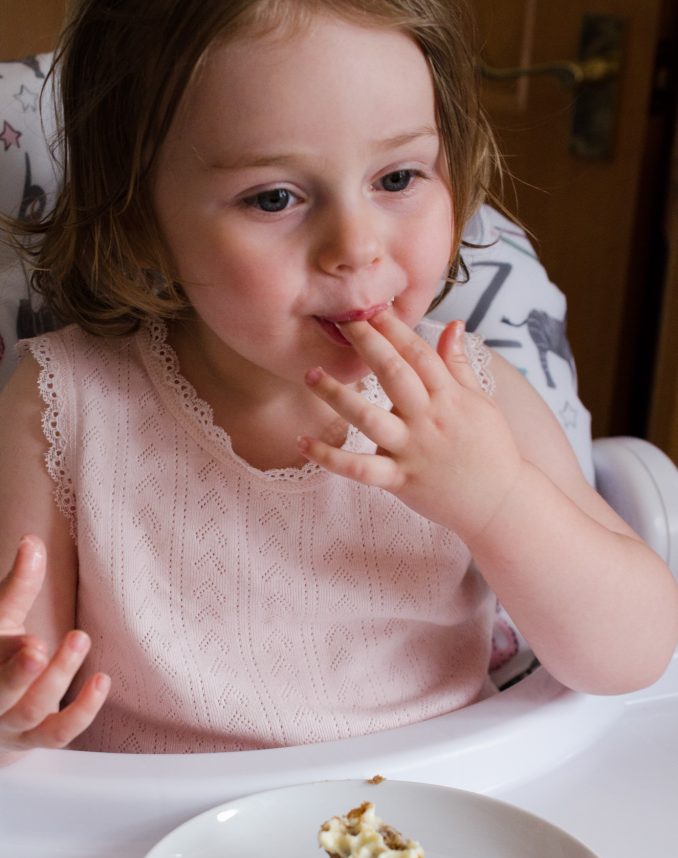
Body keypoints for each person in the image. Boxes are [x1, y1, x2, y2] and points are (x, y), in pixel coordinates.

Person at [0, 0, 676, 764]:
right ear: (139, 222)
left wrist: (496, 499)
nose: (356, 247)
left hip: (432, 823)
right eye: (275, 197)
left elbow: (633, 657)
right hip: (147, 849)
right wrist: (12, 715)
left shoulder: (473, 396)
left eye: (396, 177)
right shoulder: (62, 405)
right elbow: (29, 681)